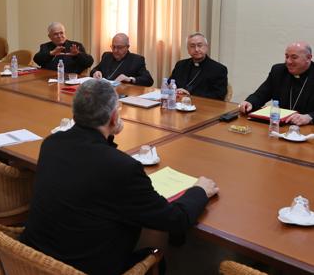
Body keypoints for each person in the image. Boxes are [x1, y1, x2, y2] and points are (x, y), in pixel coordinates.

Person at [20, 79, 219, 275]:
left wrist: (109, 134)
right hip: (82, 267)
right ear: (114, 117)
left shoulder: (52, 143)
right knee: (159, 256)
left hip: (29, 259)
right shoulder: (123, 168)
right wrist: (199, 191)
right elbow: (174, 220)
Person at [239, 42, 314, 125]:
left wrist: (309, 117)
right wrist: (249, 102)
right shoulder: (278, 71)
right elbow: (261, 94)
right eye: (287, 56)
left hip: (307, 129)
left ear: (308, 58)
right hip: (278, 126)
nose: (288, 61)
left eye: (294, 57)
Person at [169, 32, 228, 100]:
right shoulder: (180, 65)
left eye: (200, 45)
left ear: (206, 47)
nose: (196, 49)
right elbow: (170, 84)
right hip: (178, 104)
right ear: (188, 50)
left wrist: (189, 95)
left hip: (204, 107)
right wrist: (175, 90)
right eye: (192, 46)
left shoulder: (219, 69)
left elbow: (219, 95)